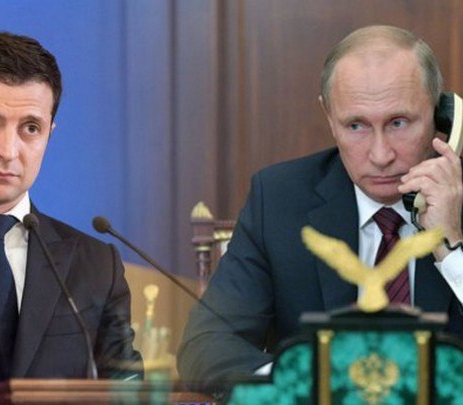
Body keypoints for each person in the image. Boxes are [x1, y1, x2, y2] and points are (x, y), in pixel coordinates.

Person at [178, 25, 463, 389]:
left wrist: (450, 246)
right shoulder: (279, 199)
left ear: (441, 115)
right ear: (329, 117)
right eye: (356, 126)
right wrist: (308, 384)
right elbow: (206, 345)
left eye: (399, 122)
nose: (381, 155)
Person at [0, 32, 141, 402]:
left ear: (49, 134)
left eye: (30, 128)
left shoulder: (96, 266)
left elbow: (128, 392)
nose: (9, 151)